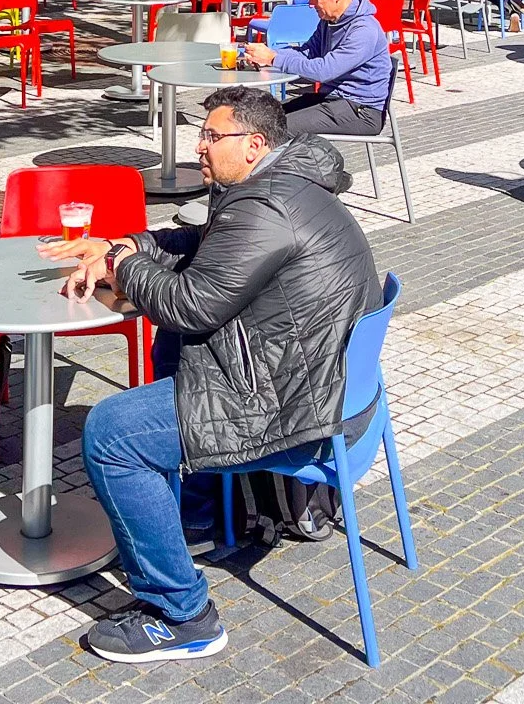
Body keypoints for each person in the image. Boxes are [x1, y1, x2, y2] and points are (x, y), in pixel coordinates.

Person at [51, 86, 380, 663]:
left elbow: (191, 305)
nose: (198, 146)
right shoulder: (279, 184)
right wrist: (130, 243)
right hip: (328, 385)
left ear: (254, 144)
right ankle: (195, 510)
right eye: (201, 134)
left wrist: (122, 264)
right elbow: (201, 242)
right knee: (171, 346)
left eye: (211, 136)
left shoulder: (265, 205)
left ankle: (182, 613)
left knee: (112, 432)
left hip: (296, 404)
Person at [243, 0, 392, 134]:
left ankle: (288, 152)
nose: (311, 4)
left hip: (361, 109)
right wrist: (269, 54)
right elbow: (308, 53)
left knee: (273, 129)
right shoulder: (329, 21)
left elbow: (323, 71)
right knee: (262, 117)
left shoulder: (364, 30)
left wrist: (273, 58)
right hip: (332, 98)